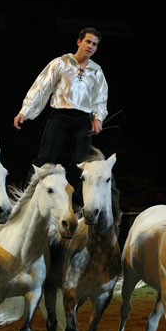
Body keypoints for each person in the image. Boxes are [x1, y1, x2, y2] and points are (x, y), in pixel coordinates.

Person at [13, 27, 108, 206]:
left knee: (82, 164)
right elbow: (42, 87)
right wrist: (24, 111)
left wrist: (98, 118)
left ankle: (78, 206)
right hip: (60, 116)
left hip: (82, 121)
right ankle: (25, 199)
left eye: (94, 44)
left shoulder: (97, 71)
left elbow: (100, 98)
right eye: (88, 42)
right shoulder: (61, 63)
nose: (91, 46)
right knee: (45, 157)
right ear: (79, 42)